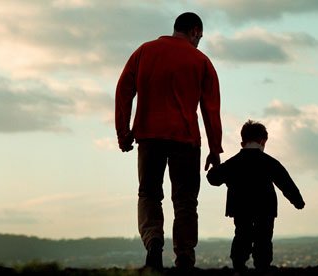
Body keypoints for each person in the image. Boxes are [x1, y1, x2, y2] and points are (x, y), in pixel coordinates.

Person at [115, 12, 223, 271]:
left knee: (149, 193)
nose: (199, 41)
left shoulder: (144, 52)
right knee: (185, 200)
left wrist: (124, 132)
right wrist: (214, 148)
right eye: (200, 37)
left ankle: (153, 243)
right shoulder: (201, 61)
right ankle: (184, 255)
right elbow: (211, 109)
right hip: (186, 140)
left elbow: (123, 91)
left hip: (149, 137)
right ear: (195, 31)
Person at [206, 120, 305, 274]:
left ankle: (239, 265)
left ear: (242, 142)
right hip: (265, 207)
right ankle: (262, 266)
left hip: (240, 207)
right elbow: (285, 182)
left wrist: (215, 166)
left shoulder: (233, 163)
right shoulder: (270, 162)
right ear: (263, 141)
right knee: (264, 238)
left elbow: (213, 179)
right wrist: (297, 201)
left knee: (241, 234)